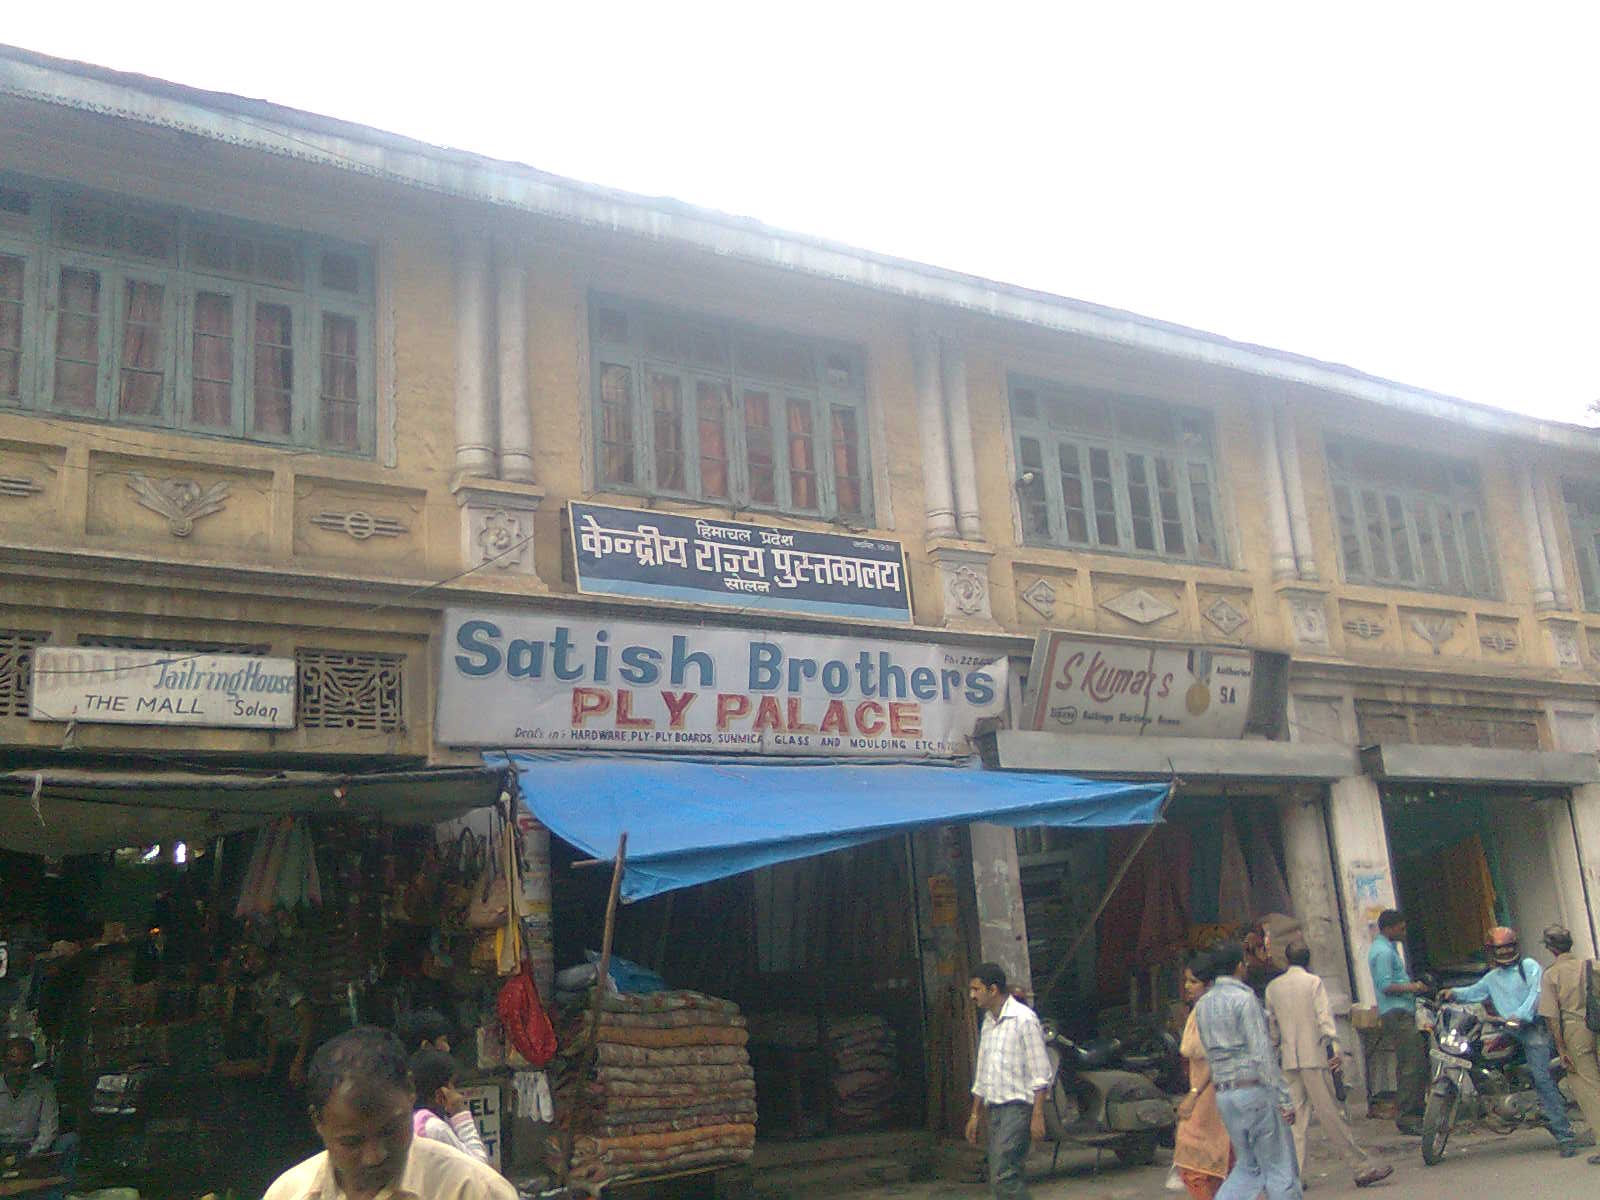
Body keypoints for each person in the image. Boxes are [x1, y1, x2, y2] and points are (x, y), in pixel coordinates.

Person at [263, 1026, 515, 1200]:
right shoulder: (290, 1193)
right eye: (352, 1142)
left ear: (411, 1092)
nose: (375, 1156)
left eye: (391, 1131)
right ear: (318, 1121)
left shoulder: (474, 1190)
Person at [1442, 925, 1579, 1156]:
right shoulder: (1492, 977)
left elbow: (1537, 994)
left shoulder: (1529, 967)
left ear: (1515, 946)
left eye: (1508, 947)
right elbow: (1474, 992)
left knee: (1542, 1078)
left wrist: (1521, 1015)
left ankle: (1565, 1136)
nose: (1504, 952)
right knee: (1479, 1058)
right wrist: (1452, 993)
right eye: (1499, 949)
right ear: (1491, 951)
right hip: (1505, 1028)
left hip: (1531, 1028)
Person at [1265, 942, 1392, 1188]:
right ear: (1308, 959)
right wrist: (1335, 1049)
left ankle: (1293, 1176)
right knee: (1331, 1115)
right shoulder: (1313, 983)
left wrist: (1275, 1052)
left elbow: (1272, 1028)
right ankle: (1361, 1167)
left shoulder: (1273, 988)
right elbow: (1325, 1019)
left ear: (1287, 959)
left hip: (1289, 1060)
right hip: (1314, 1056)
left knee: (1295, 1122)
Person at [1192, 941, 1301, 1200]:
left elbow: (1207, 1050)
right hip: (1253, 1089)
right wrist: (1284, 1099)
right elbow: (1262, 1054)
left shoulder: (1203, 1005)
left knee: (1248, 1167)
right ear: (1239, 966)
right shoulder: (1244, 999)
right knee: (1279, 1168)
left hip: (1225, 1094)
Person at [965, 962, 1052, 1200]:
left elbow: (1040, 1072)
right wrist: (975, 1115)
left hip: (1018, 1109)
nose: (972, 995)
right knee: (1000, 1176)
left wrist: (1037, 1114)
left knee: (1003, 1176)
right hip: (995, 1110)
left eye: (976, 989)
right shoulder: (988, 1023)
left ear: (993, 990)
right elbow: (983, 1073)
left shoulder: (1024, 1019)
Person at [1536, 925, 1600, 1165]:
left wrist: (1561, 1049)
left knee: (1589, 1089)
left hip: (1575, 1030)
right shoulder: (1591, 964)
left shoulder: (1552, 975)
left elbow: (1552, 1017)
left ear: (1551, 949)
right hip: (1598, 1026)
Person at [1173, 951, 1232, 1200]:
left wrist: (1194, 1095)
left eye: (1194, 981)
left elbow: (1215, 1056)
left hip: (1209, 1095)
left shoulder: (1209, 1011)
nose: (1188, 986)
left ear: (1208, 983)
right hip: (1206, 1094)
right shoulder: (1198, 1010)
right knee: (1218, 1165)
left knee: (1196, 1166)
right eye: (1186, 981)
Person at [1366, 909, 1428, 1134]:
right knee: (1411, 1065)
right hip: (1397, 1012)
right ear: (1389, 928)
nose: (1403, 932)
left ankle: (1416, 1112)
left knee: (1414, 1062)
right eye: (1400, 928)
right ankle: (1409, 1117)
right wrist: (1415, 987)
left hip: (1402, 1011)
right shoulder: (1383, 952)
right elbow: (1386, 985)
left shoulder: (1388, 949)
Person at [0, 1038, 77, 1191]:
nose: (19, 1071)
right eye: (14, 1065)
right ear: (4, 1063)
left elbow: (49, 1128)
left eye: (25, 1065)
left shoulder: (44, 1087)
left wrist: (31, 1155)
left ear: (32, 1064)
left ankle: (59, 1193)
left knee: (70, 1140)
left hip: (31, 1149)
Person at [410, 1048, 491, 1165]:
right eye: (453, 1085)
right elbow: (479, 1167)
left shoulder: (409, 1121)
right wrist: (460, 1113)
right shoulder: (434, 1129)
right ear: (441, 1093)